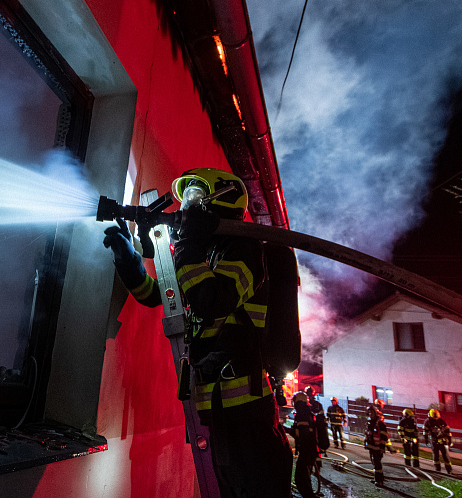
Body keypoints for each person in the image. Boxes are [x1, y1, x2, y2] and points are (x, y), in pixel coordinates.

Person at [103, 168, 293, 497]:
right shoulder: (207, 259)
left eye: (194, 198)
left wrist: (187, 246)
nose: (186, 208)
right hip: (217, 410)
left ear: (224, 199)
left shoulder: (246, 251)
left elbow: (209, 301)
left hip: (246, 410)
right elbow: (158, 296)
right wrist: (129, 261)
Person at [288, 391, 319, 498]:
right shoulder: (305, 412)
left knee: (300, 479)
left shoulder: (302, 413)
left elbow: (302, 433)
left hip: (307, 451)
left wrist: (287, 430)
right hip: (308, 450)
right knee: (304, 478)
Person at [364, 405, 389, 486]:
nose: (370, 414)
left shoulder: (380, 424)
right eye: (369, 412)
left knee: (377, 464)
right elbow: (367, 434)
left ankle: (379, 481)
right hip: (371, 447)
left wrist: (382, 447)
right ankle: (378, 478)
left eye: (372, 412)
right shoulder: (369, 423)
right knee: (374, 463)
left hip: (378, 447)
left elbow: (384, 436)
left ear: (375, 413)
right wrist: (365, 442)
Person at [424, 408, 453, 473]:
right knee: (436, 455)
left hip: (442, 441)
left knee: (445, 455)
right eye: (434, 417)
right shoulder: (427, 422)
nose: (436, 418)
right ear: (431, 416)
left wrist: (449, 440)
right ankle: (437, 469)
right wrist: (426, 440)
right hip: (434, 441)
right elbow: (425, 432)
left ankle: (449, 469)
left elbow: (448, 431)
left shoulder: (441, 421)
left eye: (437, 417)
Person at [305, 387, 329, 455]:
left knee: (318, 435)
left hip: (316, 424)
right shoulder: (307, 404)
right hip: (311, 424)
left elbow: (320, 415)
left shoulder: (317, 404)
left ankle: (319, 448)